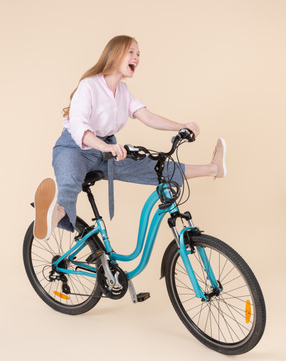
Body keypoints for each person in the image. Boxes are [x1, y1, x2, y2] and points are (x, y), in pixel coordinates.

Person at [33, 35, 226, 241]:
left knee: (157, 167)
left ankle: (213, 168)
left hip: (107, 150)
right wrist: (104, 147)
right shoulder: (88, 86)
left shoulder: (123, 91)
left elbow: (148, 117)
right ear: (115, 55)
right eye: (131, 52)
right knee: (70, 180)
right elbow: (79, 127)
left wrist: (182, 126)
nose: (137, 57)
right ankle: (54, 216)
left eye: (139, 54)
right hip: (74, 147)